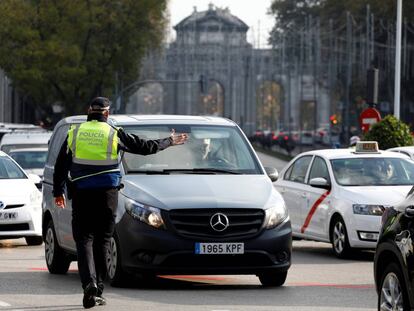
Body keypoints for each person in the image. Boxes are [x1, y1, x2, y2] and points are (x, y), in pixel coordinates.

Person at [53, 97, 188, 309]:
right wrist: (169, 141)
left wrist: (57, 191)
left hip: (81, 194)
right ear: (107, 113)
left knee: (84, 239)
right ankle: (97, 287)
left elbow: (61, 164)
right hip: (107, 195)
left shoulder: (75, 133)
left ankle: (88, 283)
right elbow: (144, 147)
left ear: (89, 110)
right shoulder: (113, 133)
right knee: (103, 239)